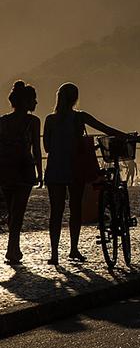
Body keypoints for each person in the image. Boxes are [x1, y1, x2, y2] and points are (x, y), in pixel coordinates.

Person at [42, 82, 130, 265]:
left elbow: (47, 147)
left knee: (56, 212)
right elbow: (105, 129)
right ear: (75, 99)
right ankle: (73, 249)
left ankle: (54, 254)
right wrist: (128, 136)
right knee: (75, 209)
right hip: (75, 167)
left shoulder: (50, 119)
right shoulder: (80, 117)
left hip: (55, 168)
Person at [0, 81, 43, 265]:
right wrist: (40, 172)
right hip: (24, 168)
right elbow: (37, 150)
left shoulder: (3, 121)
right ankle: (12, 249)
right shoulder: (33, 121)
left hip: (5, 169)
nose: (36, 103)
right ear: (26, 101)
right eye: (34, 99)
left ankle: (14, 248)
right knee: (18, 212)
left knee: (11, 210)